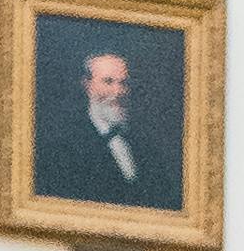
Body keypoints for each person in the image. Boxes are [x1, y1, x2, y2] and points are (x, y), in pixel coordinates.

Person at [31, 31, 169, 211]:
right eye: (108, 82)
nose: (118, 92)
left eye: (123, 83)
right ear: (87, 85)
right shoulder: (63, 145)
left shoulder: (144, 144)